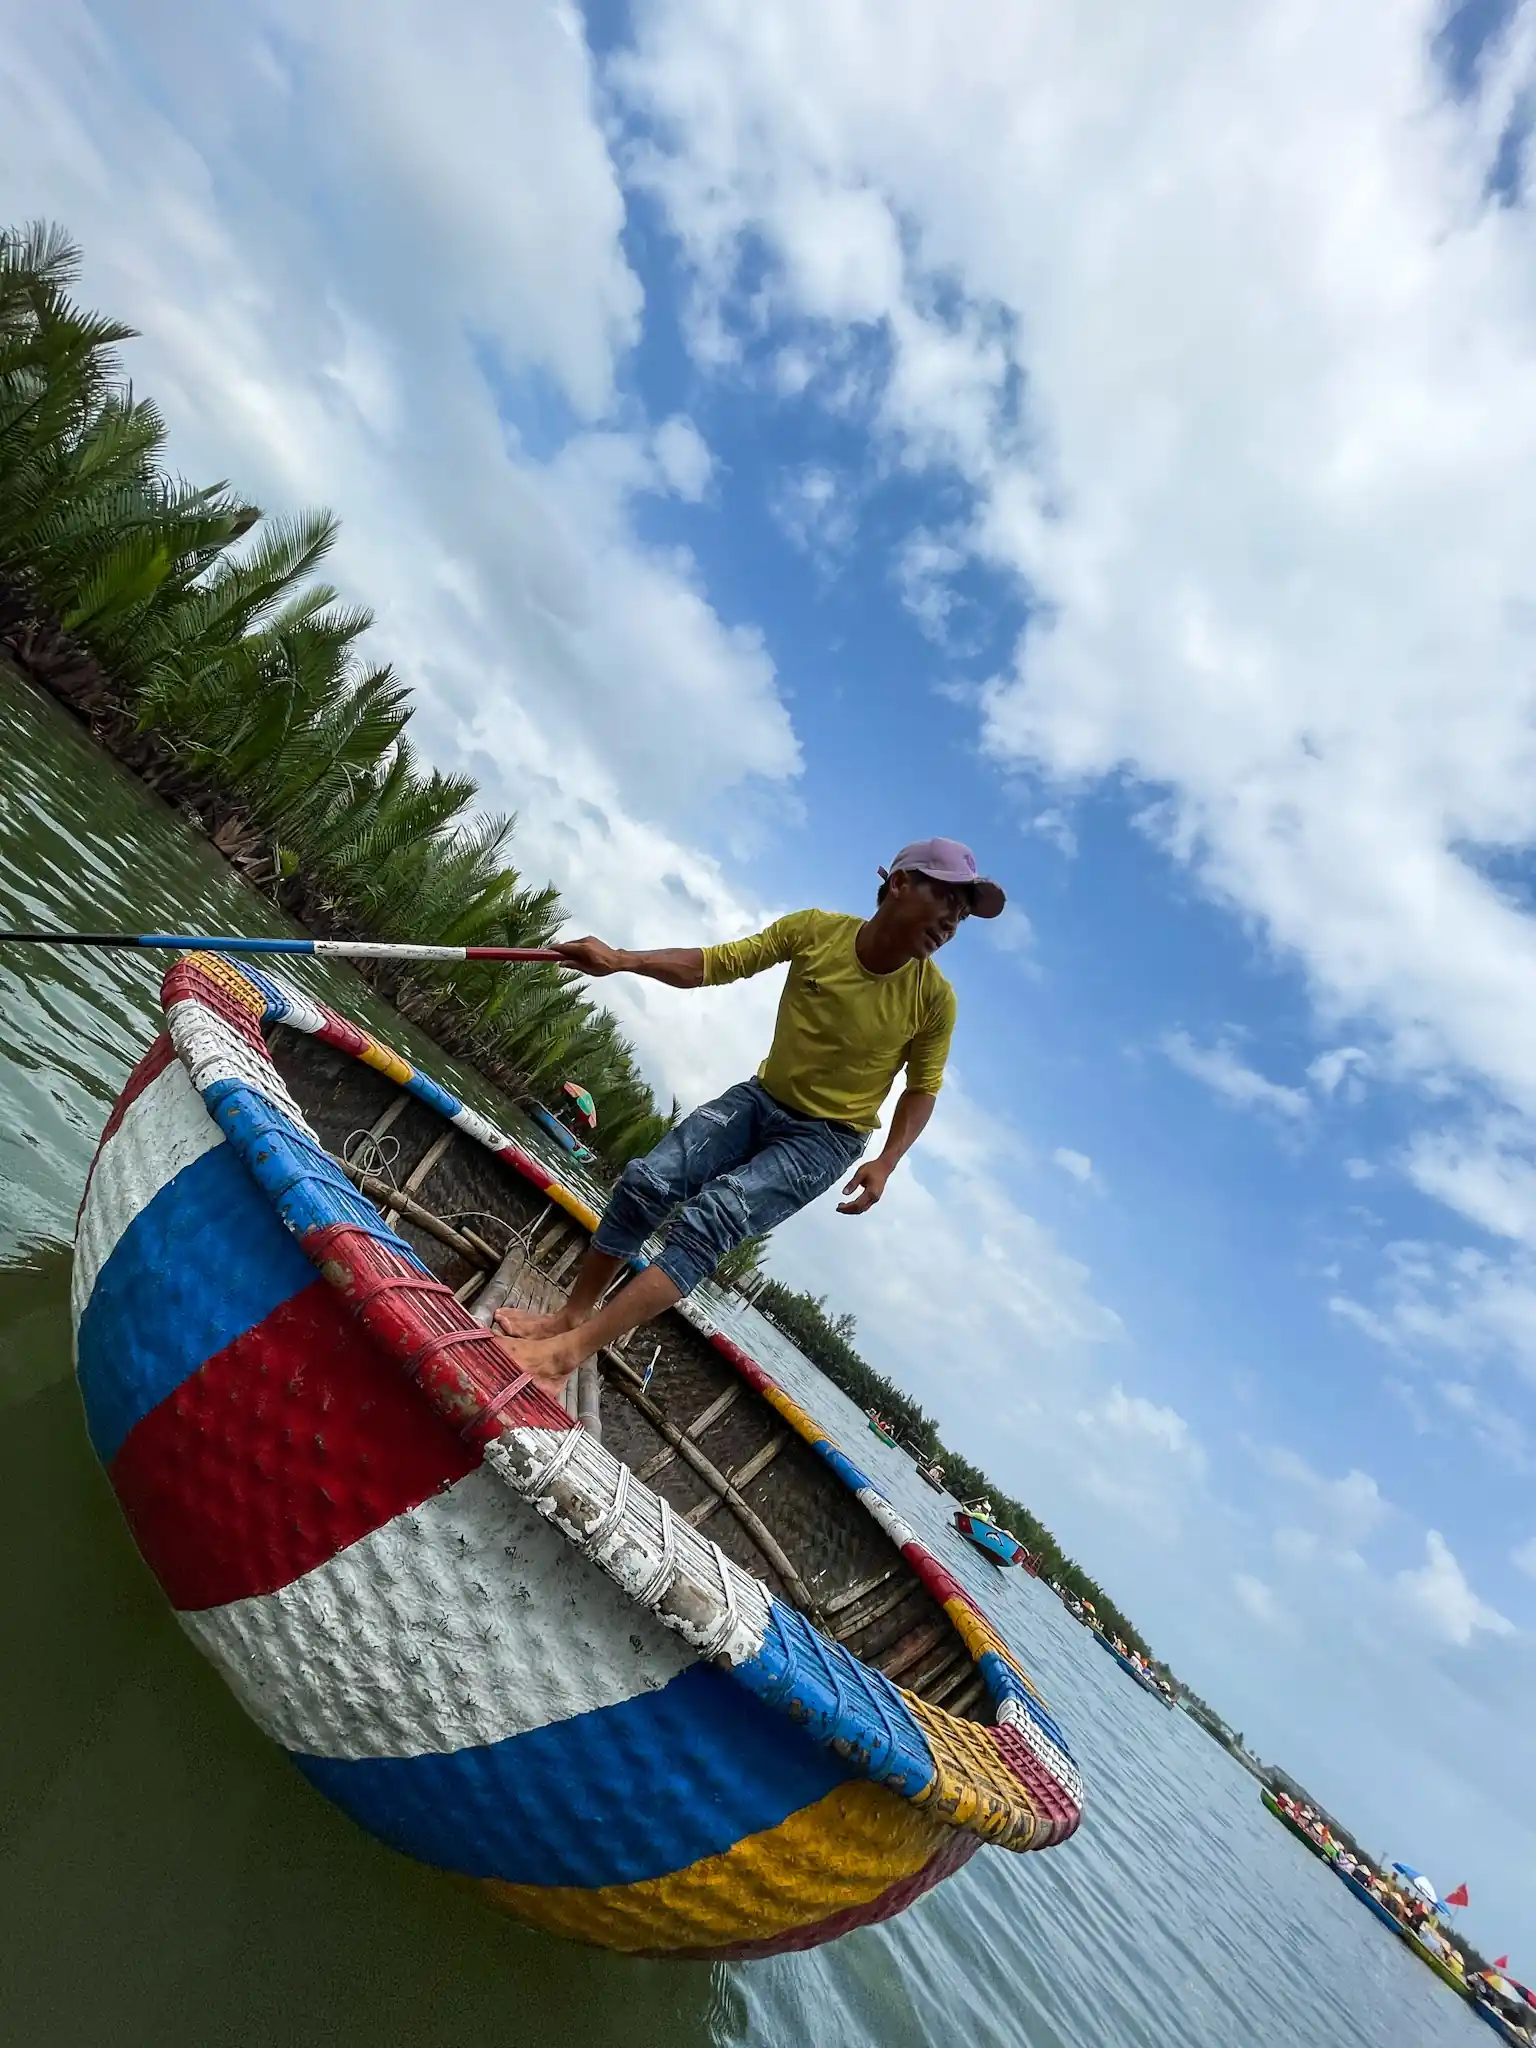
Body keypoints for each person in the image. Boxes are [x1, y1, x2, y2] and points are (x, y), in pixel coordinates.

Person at [493, 838, 1005, 1391]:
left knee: (710, 1221)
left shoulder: (934, 1000)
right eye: (948, 898)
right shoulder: (815, 931)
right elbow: (719, 964)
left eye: (964, 912)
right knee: (648, 1181)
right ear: (901, 884)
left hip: (826, 1139)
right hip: (761, 1098)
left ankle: (566, 1355)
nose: (954, 920)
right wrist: (621, 960)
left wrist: (887, 1161)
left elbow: (921, 1090)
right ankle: (570, 1316)